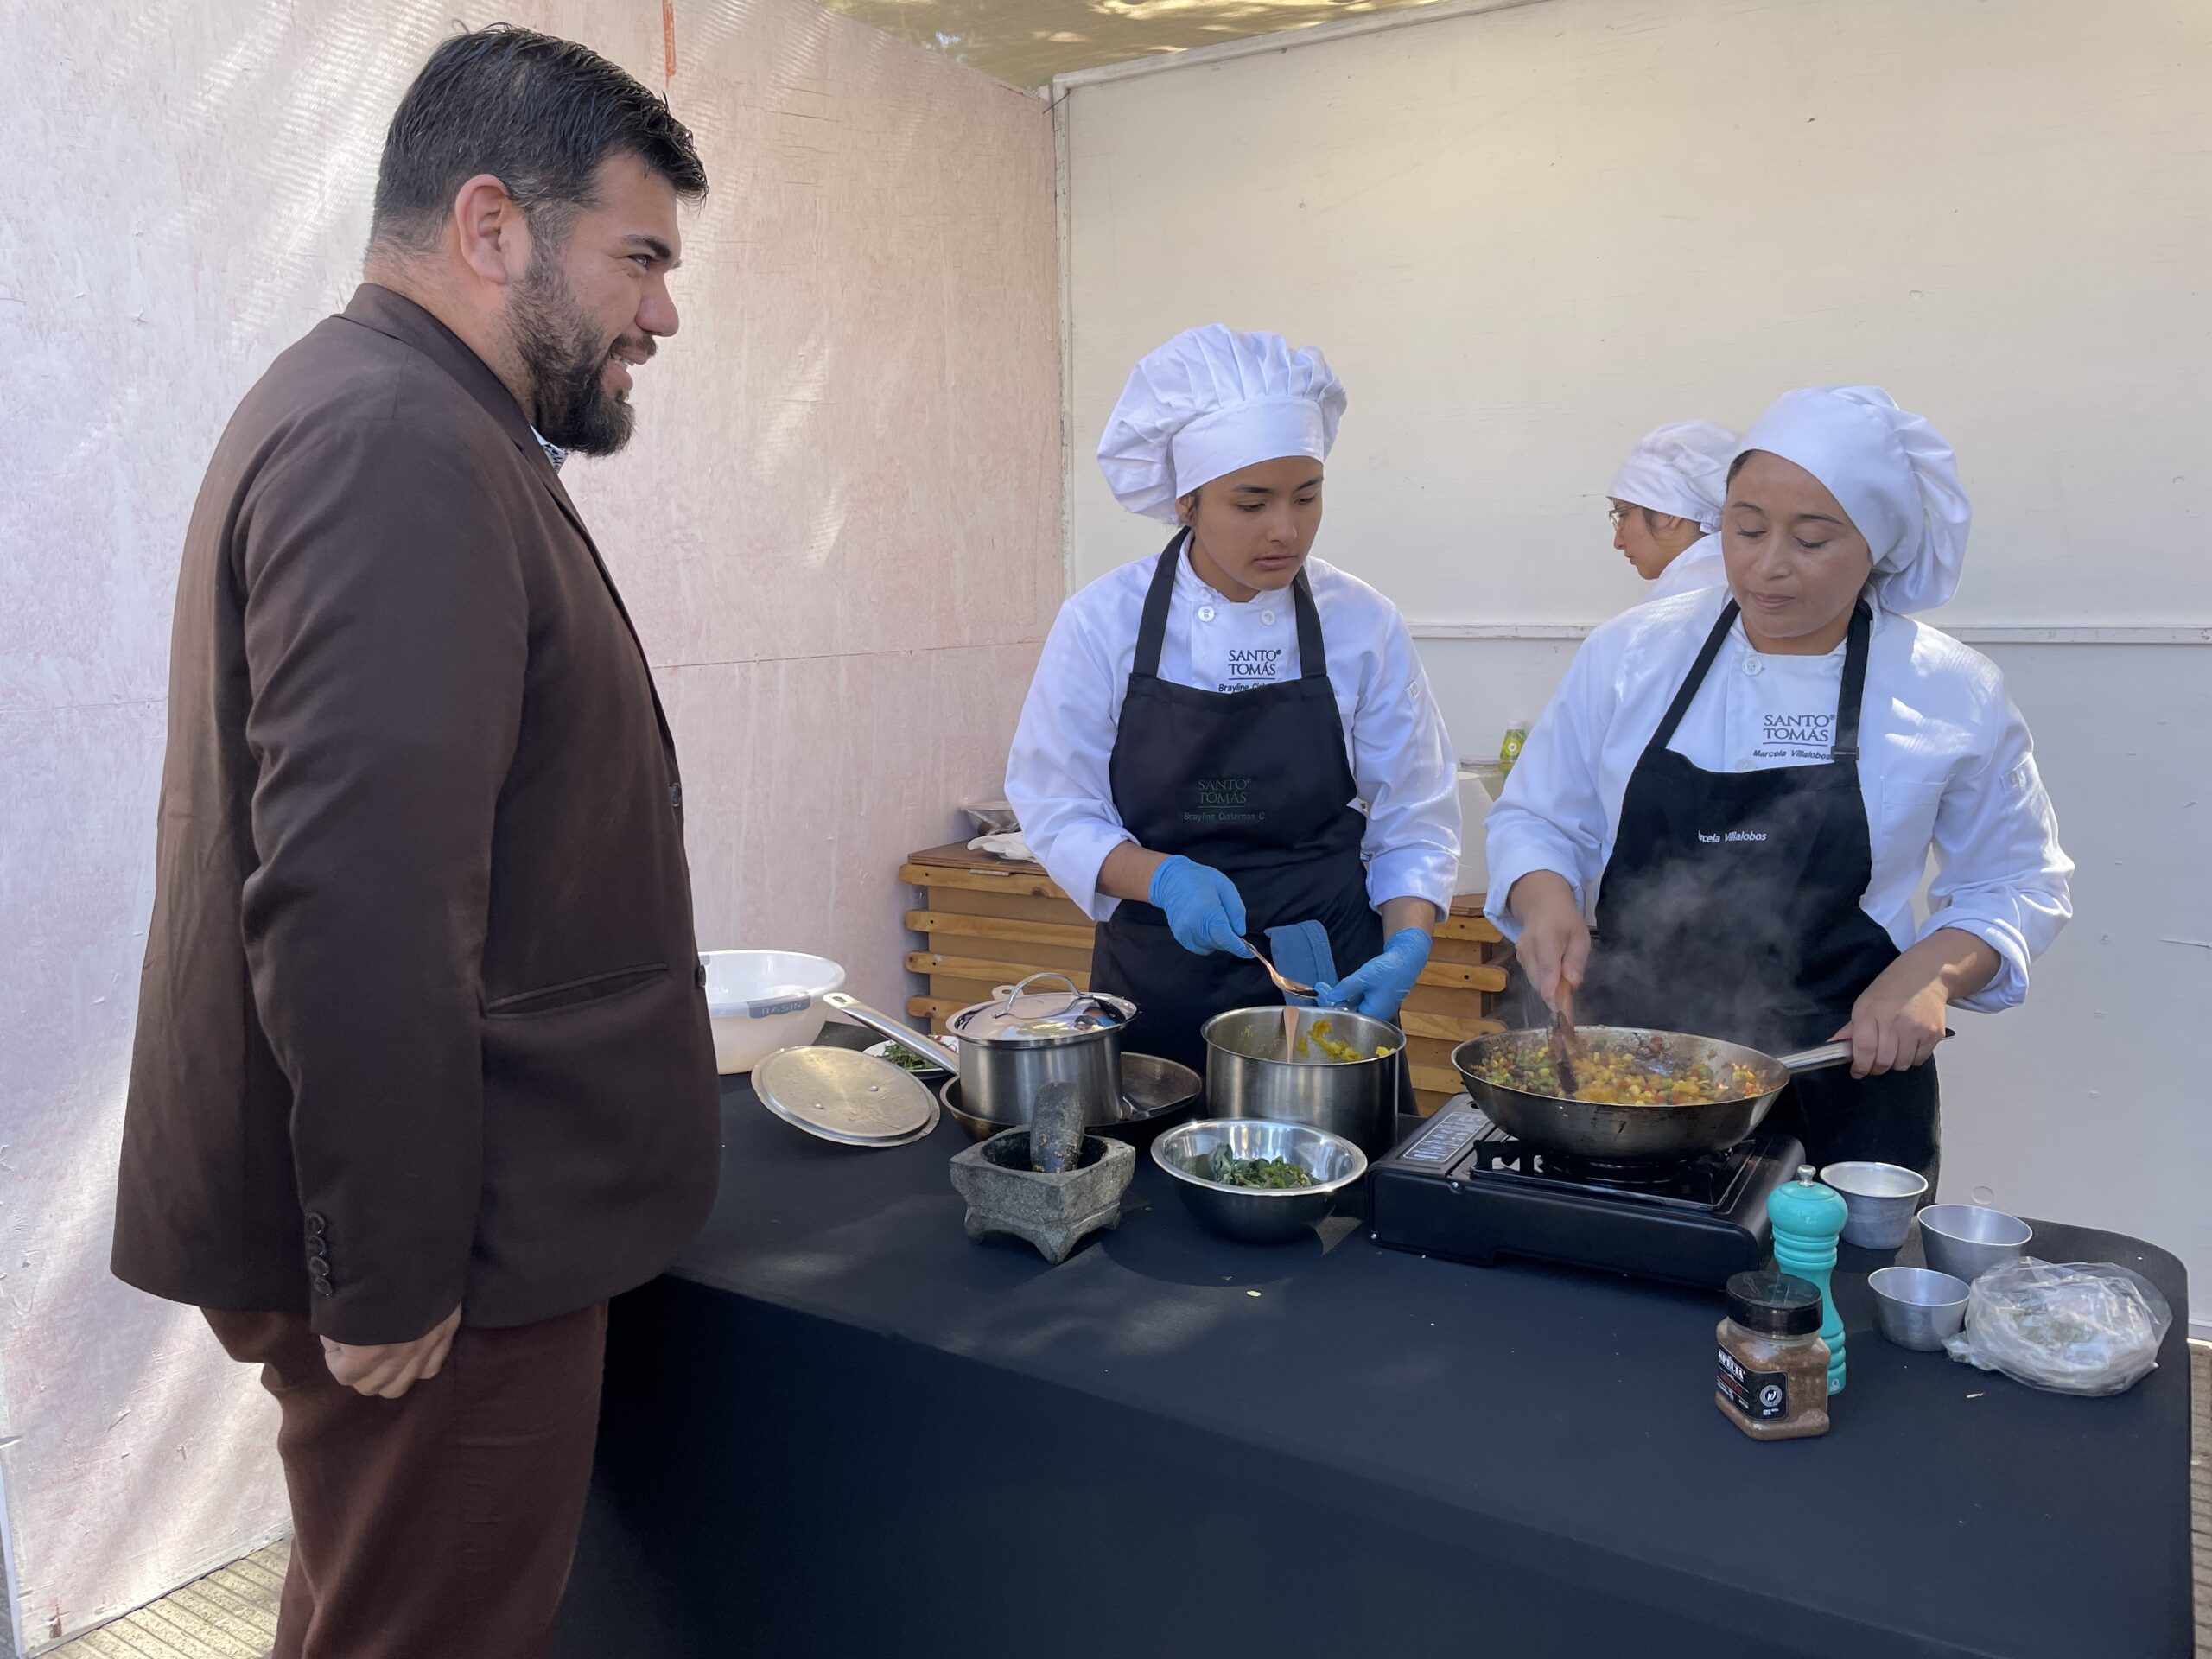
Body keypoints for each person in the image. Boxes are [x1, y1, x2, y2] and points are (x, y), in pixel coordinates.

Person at [111, 29, 715, 1657]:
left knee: (374, 1602)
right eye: (639, 257)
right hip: (452, 1245)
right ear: (491, 225)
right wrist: (385, 1271)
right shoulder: (394, 439)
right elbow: (358, 900)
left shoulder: (408, 412)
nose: (663, 311)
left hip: (454, 1219)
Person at [1487, 385, 2072, 1185]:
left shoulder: (1949, 690)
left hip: (1841, 1077)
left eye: (1813, 538)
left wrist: (1931, 974)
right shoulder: (1632, 654)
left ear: (1879, 543)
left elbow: (2016, 881)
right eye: (1746, 526)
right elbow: (1541, 817)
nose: (1767, 565)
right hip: (1623, 1085)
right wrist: (1545, 897)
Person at [1006, 325, 1460, 1073]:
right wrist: (1164, 876)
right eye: (1251, 504)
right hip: (1159, 972)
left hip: (1330, 978)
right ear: (1186, 502)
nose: (1286, 530)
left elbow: (1414, 813)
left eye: (1307, 497)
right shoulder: (1102, 622)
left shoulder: (1361, 622)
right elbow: (1057, 805)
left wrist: (1408, 938)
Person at [1608, 419, 1738, 602]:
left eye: (1623, 514)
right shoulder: (1741, 579)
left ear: (1667, 514)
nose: (1618, 542)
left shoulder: (1678, 601)